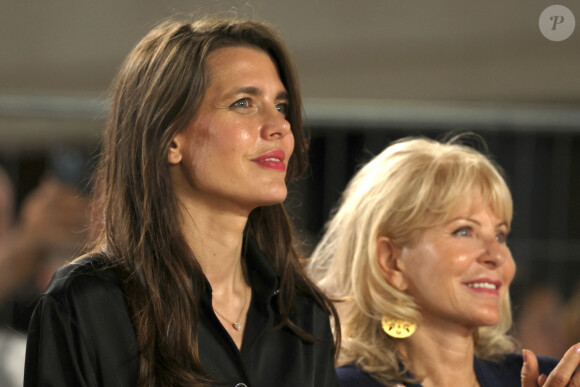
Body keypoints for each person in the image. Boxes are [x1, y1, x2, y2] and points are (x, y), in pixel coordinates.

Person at [24, 17, 339, 387]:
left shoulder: (300, 313)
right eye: (244, 103)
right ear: (171, 139)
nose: (280, 127)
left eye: (281, 107)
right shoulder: (87, 305)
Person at [307, 136, 580, 387]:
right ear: (391, 261)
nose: (498, 256)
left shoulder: (549, 379)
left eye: (500, 235)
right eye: (464, 231)